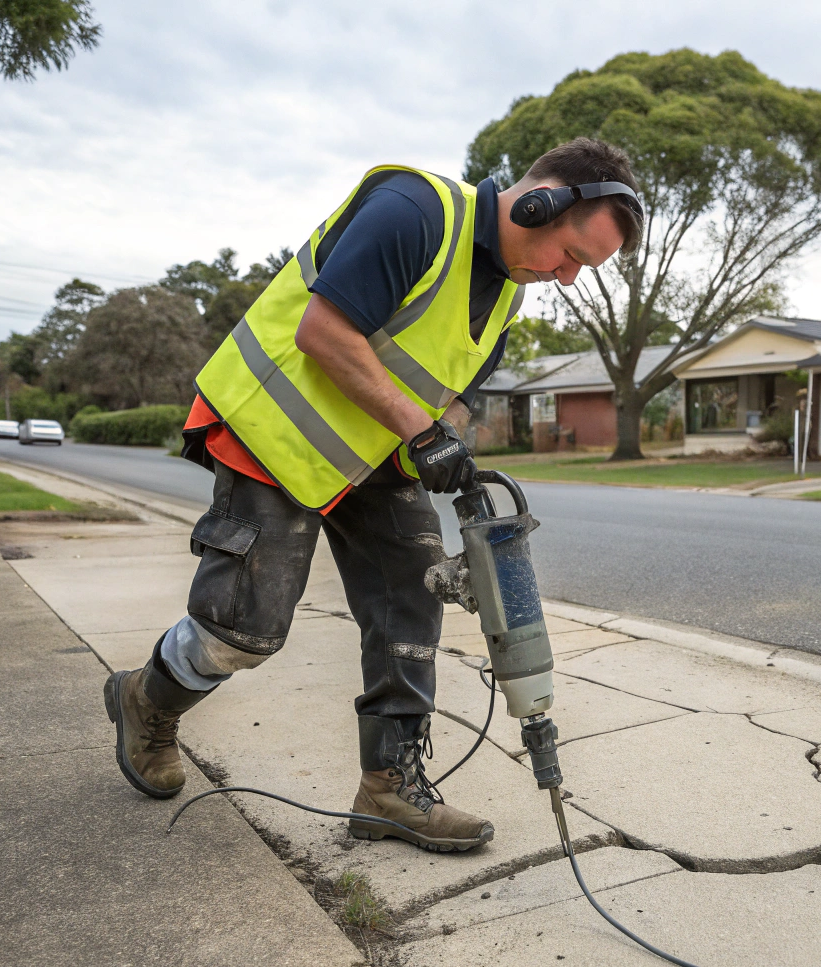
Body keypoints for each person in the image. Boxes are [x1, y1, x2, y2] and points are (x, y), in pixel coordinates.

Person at [104, 138, 643, 852]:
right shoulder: (416, 211)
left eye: (585, 271)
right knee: (243, 627)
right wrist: (424, 431)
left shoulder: (505, 302)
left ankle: (388, 789)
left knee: (413, 600)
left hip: (370, 460)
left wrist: (451, 448)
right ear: (541, 202)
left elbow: (446, 402)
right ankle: (149, 696)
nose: (569, 278)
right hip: (273, 428)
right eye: (572, 255)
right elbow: (323, 332)